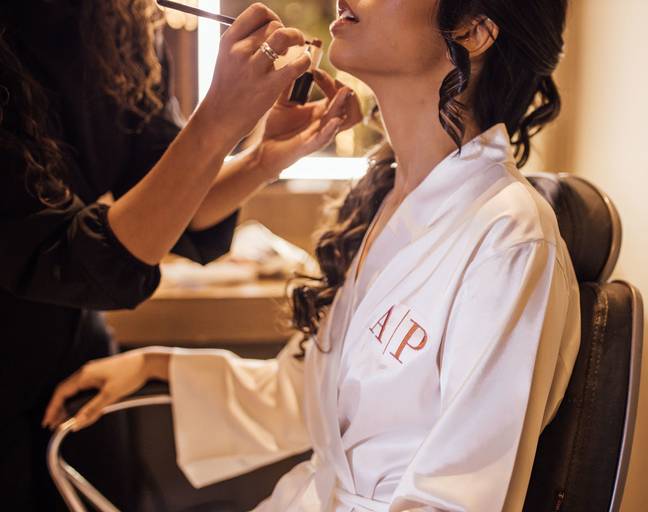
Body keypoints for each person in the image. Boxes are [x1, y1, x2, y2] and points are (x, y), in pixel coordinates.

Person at [46, 0, 580, 510]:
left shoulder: (509, 240)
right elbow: (318, 402)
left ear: (473, 32)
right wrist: (153, 363)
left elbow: (455, 501)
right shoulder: (388, 204)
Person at [1, 0, 359, 509]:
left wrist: (262, 159)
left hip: (72, 358)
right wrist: (218, 120)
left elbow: (172, 205)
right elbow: (63, 256)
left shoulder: (113, 22)